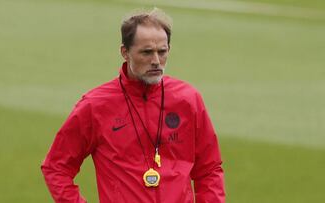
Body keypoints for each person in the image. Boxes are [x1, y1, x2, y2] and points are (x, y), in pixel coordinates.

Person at [41, 8, 225, 203]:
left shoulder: (188, 99)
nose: (156, 61)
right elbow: (56, 167)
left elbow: (210, 169)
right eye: (146, 52)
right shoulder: (95, 106)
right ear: (125, 52)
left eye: (162, 52)